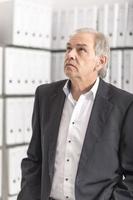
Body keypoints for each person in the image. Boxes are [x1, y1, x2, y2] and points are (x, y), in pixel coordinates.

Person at [17, 28, 133, 200]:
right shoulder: (45, 95)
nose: (70, 54)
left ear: (100, 61)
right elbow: (34, 159)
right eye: (68, 48)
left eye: (81, 49)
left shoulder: (123, 104)